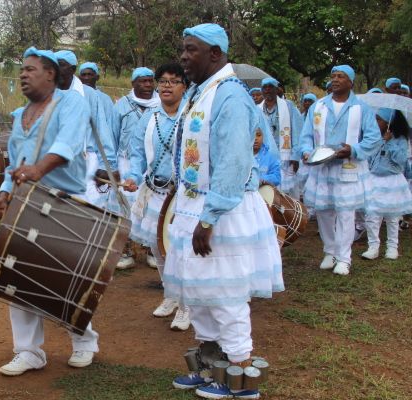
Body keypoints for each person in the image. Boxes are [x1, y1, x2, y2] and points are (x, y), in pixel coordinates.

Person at [165, 23, 283, 400]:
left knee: (225, 295)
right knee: (199, 291)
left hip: (221, 210)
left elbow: (233, 163)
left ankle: (240, 378)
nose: (183, 56)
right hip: (193, 205)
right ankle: (211, 367)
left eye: (191, 49)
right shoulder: (202, 92)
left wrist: (209, 217)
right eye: (183, 49)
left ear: (215, 53)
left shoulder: (230, 97)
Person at [0, 47, 99, 376]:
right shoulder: (19, 116)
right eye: (21, 70)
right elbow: (16, 164)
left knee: (66, 277)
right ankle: (28, 351)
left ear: (50, 74)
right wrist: (4, 194)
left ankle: (83, 341)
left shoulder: (72, 103)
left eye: (31, 70)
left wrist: (40, 168)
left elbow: (66, 145)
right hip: (26, 203)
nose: (23, 75)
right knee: (18, 275)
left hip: (66, 202)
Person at [120, 63, 191, 330]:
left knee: (180, 252)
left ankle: (186, 306)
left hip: (182, 197)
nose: (166, 86)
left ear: (184, 86)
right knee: (158, 249)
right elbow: (137, 152)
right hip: (154, 193)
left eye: (174, 81)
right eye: (163, 81)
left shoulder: (191, 115)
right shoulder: (149, 118)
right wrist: (133, 177)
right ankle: (170, 296)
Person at [299, 65, 382, 276]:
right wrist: (307, 151)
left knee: (346, 213)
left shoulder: (361, 108)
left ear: (350, 82)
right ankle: (330, 251)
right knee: (324, 211)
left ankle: (344, 258)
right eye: (333, 76)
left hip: (348, 168)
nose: (335, 79)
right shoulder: (318, 106)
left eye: (341, 76)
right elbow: (306, 136)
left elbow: (373, 138)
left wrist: (354, 150)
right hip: (323, 168)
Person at [54, 51, 118, 210]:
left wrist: (106, 165)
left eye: (61, 65)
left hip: (87, 162)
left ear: (73, 69)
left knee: (86, 213)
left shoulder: (89, 95)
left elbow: (102, 131)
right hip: (54, 163)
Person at [114, 66, 160, 269]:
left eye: (151, 80)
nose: (148, 85)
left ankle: (152, 249)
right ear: (133, 83)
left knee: (153, 206)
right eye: (143, 81)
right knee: (125, 206)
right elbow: (113, 136)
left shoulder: (162, 104)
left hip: (153, 164)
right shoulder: (121, 106)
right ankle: (126, 251)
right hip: (126, 161)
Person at [361, 108, 412, 260]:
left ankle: (392, 247)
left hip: (392, 181)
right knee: (372, 215)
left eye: (379, 120)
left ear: (389, 122)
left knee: (392, 216)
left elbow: (400, 161)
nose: (376, 122)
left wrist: (389, 143)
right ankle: (373, 246)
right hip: (374, 180)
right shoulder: (376, 138)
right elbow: (369, 158)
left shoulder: (400, 139)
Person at [259, 77, 303, 198]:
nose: (267, 90)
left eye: (270, 87)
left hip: (285, 157)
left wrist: (295, 156)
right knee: (267, 192)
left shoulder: (288, 106)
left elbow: (297, 131)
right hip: (265, 156)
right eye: (265, 87)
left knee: (287, 194)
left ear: (276, 89)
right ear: (262, 90)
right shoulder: (257, 109)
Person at [79, 61, 120, 135]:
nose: (87, 78)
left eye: (90, 74)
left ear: (97, 77)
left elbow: (110, 123)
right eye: (83, 75)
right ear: (79, 77)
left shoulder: (105, 99)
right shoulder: (75, 96)